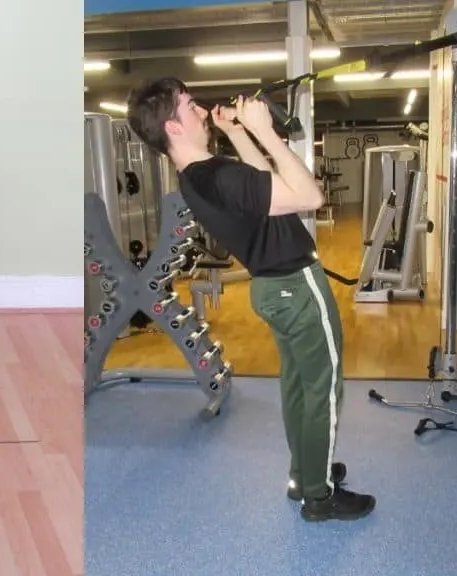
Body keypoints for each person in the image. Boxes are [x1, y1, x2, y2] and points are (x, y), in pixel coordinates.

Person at [125, 77, 375, 523]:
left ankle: (305, 475)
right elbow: (310, 195)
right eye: (189, 106)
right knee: (325, 389)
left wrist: (239, 133)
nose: (201, 110)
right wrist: (264, 131)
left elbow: (260, 188)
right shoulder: (218, 175)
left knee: (300, 385)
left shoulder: (197, 178)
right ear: (173, 127)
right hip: (297, 286)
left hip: (272, 289)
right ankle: (318, 496)